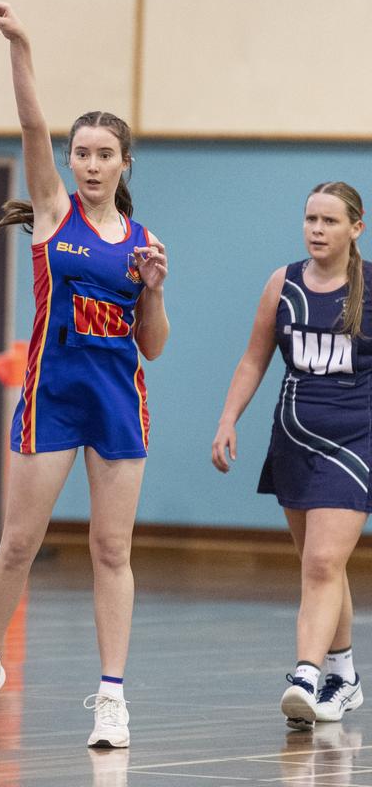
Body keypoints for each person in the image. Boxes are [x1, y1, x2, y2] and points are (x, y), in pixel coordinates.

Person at [0, 0, 169, 749]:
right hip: (51, 399)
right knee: (17, 546)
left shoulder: (142, 242)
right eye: (83, 153)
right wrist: (21, 44)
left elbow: (154, 346)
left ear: (125, 163)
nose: (92, 163)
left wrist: (156, 289)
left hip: (118, 403)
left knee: (112, 551)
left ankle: (111, 697)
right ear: (71, 161)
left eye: (106, 154)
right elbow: (32, 124)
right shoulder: (51, 213)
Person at [212, 181, 370, 731]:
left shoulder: (370, 288)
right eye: (310, 220)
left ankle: (306, 673)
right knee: (319, 565)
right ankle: (345, 677)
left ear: (356, 227)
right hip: (295, 438)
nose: (317, 231)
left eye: (329, 221)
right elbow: (255, 360)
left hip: (357, 443)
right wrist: (229, 418)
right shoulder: (282, 284)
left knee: (324, 563)